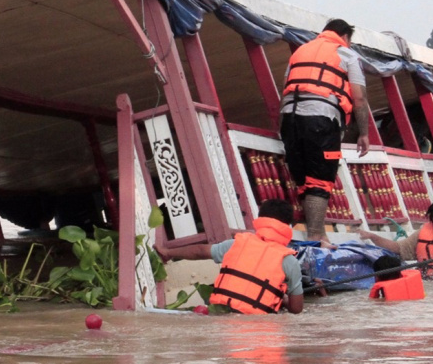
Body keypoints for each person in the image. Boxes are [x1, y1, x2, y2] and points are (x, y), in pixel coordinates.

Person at [279, 18, 370, 247]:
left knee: (304, 180)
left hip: (290, 118)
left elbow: (286, 88)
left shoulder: (300, 51)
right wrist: (364, 133)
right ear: (346, 36)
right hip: (321, 120)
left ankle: (319, 235)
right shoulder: (347, 55)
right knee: (320, 180)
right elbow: (359, 98)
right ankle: (316, 238)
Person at [156, 199, 303, 314]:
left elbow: (200, 251)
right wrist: (284, 300)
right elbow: (296, 308)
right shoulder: (289, 261)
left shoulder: (236, 243)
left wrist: (168, 253)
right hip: (258, 328)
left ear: (260, 219)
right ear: (288, 226)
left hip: (222, 315)